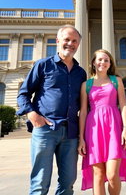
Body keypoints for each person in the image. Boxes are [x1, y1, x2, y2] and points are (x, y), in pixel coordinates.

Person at [17, 25, 87, 195]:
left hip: (70, 133)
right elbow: (23, 94)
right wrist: (32, 115)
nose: (70, 43)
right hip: (45, 130)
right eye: (67, 40)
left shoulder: (81, 73)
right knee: (40, 182)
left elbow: (84, 104)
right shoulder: (43, 65)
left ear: (78, 45)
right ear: (58, 41)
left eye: (74, 41)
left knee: (68, 182)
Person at [78, 49, 126, 194]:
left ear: (110, 64)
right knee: (98, 175)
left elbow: (123, 105)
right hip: (93, 130)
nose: (103, 62)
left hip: (114, 129)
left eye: (106, 60)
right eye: (100, 59)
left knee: (112, 175)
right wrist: (81, 138)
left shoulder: (116, 80)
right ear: (94, 63)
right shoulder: (86, 85)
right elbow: (83, 112)